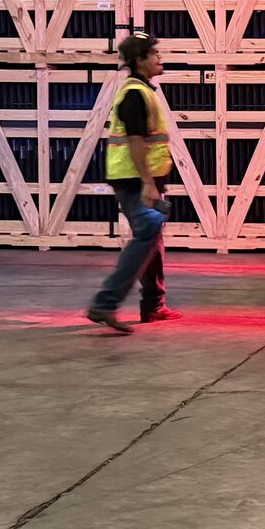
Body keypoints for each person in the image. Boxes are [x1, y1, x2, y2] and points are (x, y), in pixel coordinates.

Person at [87, 34, 180, 333]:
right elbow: (136, 142)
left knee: (153, 237)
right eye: (153, 54)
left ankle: (153, 305)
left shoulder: (143, 91)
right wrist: (147, 184)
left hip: (142, 178)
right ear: (139, 60)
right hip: (134, 179)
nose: (159, 58)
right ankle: (105, 303)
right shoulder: (134, 94)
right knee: (146, 233)